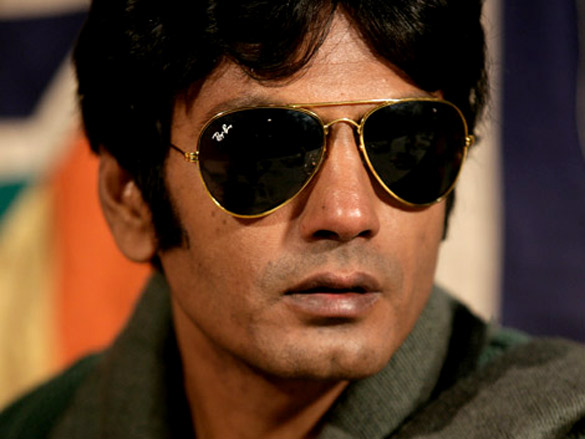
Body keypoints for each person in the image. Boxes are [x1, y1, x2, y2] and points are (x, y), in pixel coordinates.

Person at [1, 0, 585, 438]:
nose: (348, 214)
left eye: (405, 144)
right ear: (130, 200)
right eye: (265, 152)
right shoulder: (38, 426)